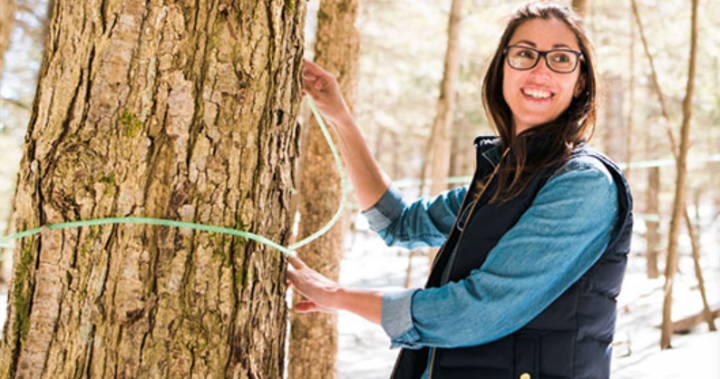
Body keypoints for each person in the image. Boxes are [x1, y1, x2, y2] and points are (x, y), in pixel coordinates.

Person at [287, 2, 633, 379]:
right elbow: (400, 223)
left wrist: (337, 296)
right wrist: (341, 118)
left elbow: (471, 314)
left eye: (561, 59)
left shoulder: (583, 184)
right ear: (502, 67)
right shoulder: (503, 177)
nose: (540, 70)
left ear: (581, 80)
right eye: (524, 54)